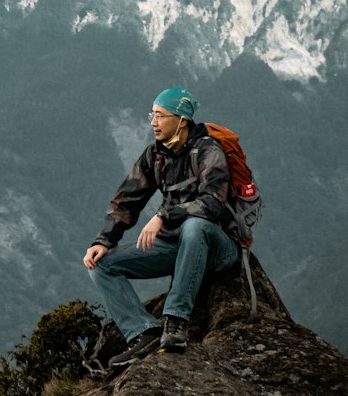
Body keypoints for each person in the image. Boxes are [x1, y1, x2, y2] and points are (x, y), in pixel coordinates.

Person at [82, 87, 240, 366]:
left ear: (181, 119)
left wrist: (164, 215)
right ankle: (145, 331)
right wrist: (103, 241)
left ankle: (176, 322)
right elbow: (125, 201)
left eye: (159, 115)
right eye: (151, 115)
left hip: (218, 247)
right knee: (102, 265)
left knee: (195, 227)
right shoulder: (155, 156)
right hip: (178, 248)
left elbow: (213, 203)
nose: (152, 122)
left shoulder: (208, 151)